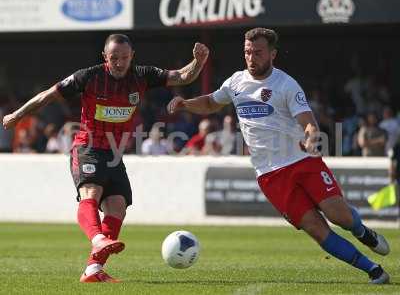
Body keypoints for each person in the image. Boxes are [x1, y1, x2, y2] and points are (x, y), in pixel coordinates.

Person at [167, 28, 390, 284]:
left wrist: (311, 137)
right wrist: (185, 103)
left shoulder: (286, 84)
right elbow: (210, 103)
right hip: (270, 175)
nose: (251, 57)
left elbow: (308, 122)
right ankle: (373, 270)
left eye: (258, 52)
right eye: (247, 52)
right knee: (316, 229)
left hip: (302, 161)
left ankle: (364, 233)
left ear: (272, 54)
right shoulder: (235, 82)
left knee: (339, 216)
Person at [2, 34, 209, 282]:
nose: (119, 63)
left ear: (132, 56)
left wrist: (198, 62)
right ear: (105, 57)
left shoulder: (142, 75)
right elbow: (49, 95)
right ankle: (98, 239)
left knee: (118, 207)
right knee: (91, 192)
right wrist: (17, 114)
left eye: (124, 57)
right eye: (114, 58)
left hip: (114, 153)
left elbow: (182, 76)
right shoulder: (88, 77)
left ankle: (93, 269)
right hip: (87, 146)